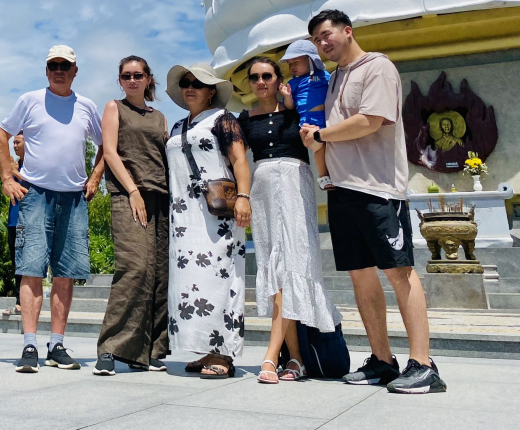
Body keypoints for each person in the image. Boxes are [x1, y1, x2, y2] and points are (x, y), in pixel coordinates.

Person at [301, 9, 446, 394]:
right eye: (316, 39)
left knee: (399, 273)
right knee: (361, 276)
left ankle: (423, 364)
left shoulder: (376, 67)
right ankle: (383, 360)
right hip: (343, 190)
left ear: (348, 32)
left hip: (378, 188)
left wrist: (321, 136)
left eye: (327, 34)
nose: (322, 42)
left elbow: (371, 120)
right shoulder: (335, 80)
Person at [0, 45, 103, 374]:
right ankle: (29, 343)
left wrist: (95, 177)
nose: (59, 70)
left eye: (65, 65)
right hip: (35, 195)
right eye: (53, 65)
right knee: (31, 270)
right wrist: (6, 177)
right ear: (46, 70)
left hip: (72, 198)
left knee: (65, 274)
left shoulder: (87, 107)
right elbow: (1, 136)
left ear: (75, 71)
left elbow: (107, 146)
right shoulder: (29, 100)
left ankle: (56, 344)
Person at [240, 56, 340, 384]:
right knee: (275, 268)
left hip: (295, 181)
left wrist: (290, 101)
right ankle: (295, 357)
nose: (260, 82)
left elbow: (319, 133)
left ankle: (271, 356)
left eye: (267, 75)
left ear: (278, 78)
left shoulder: (297, 111)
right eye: (254, 77)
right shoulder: (244, 118)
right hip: (263, 188)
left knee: (293, 263)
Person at [164, 63, 250, 379]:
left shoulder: (223, 120)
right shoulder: (176, 127)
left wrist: (244, 196)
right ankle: (205, 349)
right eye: (186, 83)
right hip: (184, 215)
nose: (190, 87)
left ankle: (224, 354)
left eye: (197, 83)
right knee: (191, 285)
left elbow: (239, 159)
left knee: (222, 278)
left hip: (218, 214)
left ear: (210, 90)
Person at [88, 56, 169, 376]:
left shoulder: (159, 116)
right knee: (134, 268)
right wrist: (133, 190)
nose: (132, 80)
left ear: (149, 79)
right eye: (126, 76)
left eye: (138, 75)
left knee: (158, 274)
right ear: (120, 80)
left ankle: (148, 351)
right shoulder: (113, 108)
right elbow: (109, 152)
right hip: (128, 195)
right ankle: (109, 348)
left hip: (161, 197)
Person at [280, 39, 334, 187]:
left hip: (329, 119)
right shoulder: (293, 83)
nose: (292, 67)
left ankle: (336, 174)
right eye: (289, 64)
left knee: (334, 146)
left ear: (310, 60)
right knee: (319, 147)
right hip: (308, 121)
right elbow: (290, 106)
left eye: (295, 62)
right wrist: (287, 96)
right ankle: (324, 176)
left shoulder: (325, 75)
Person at [2, 132, 26, 317]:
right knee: (16, 262)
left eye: (17, 142)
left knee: (26, 262)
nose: (14, 146)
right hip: (12, 220)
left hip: (27, 221)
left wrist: (14, 172)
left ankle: (23, 303)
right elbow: (7, 191)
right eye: (13, 142)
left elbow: (30, 187)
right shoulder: (15, 167)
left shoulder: (33, 166)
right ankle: (19, 301)